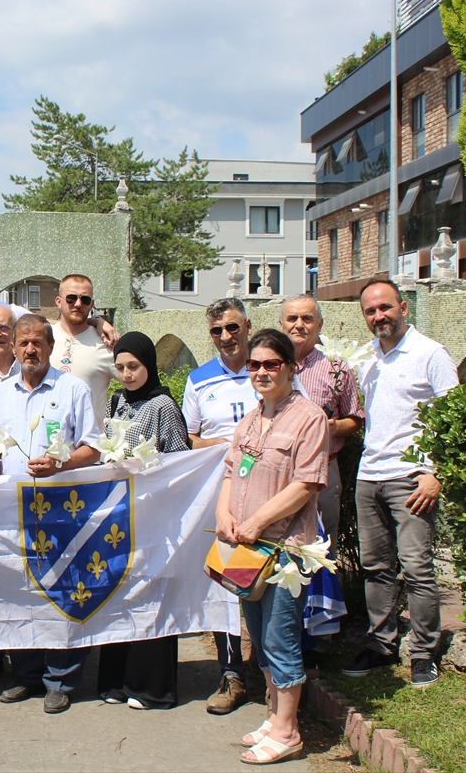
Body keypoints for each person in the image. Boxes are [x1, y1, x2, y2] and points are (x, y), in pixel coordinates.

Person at [216, 328, 328, 764]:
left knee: (281, 638)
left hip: (284, 551)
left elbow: (307, 482)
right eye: (255, 365)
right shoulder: (252, 417)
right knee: (259, 636)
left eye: (271, 364)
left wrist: (259, 520)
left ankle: (288, 731)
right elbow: (230, 471)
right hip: (245, 550)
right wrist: (224, 516)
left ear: (291, 367)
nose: (261, 372)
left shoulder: (309, 417)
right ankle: (274, 714)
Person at [341, 280, 458, 688]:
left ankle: (423, 652)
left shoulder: (430, 354)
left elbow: (455, 418)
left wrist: (435, 472)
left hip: (412, 478)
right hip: (369, 475)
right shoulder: (367, 359)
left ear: (403, 308)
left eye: (385, 308)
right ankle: (380, 644)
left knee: (417, 568)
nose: (379, 317)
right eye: (371, 311)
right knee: (376, 568)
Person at [0, 314, 100, 715]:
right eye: (24, 343)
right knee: (21, 593)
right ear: (13, 348)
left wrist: (62, 464)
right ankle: (26, 675)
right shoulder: (0, 395)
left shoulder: (74, 389)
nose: (30, 349)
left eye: (38, 342)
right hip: (14, 513)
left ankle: (61, 679)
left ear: (51, 347)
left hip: (63, 511)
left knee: (61, 594)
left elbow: (93, 447)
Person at [95, 331, 190, 711]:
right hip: (121, 514)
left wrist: (147, 470)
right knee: (119, 592)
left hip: (154, 515)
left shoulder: (164, 405)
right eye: (119, 367)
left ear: (148, 365)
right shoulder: (117, 401)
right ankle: (115, 680)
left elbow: (182, 461)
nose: (127, 374)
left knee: (151, 596)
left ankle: (151, 686)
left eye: (133, 366)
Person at [181, 296, 255, 715]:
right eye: (216, 331)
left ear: (247, 326)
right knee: (228, 579)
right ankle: (232, 674)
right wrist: (227, 446)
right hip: (221, 492)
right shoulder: (198, 379)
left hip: (267, 490)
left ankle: (275, 667)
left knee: (269, 577)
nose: (226, 337)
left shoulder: (268, 366)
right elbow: (190, 438)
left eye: (232, 327)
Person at [280, 295, 364, 550]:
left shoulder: (336, 368)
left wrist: (333, 427)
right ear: (282, 324)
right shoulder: (269, 365)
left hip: (324, 473)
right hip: (279, 472)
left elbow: (355, 419)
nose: (299, 325)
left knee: (323, 548)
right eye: (292, 318)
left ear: (319, 324)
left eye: (307, 318)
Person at [49, 274, 116, 400]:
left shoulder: (106, 343)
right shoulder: (42, 338)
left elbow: (135, 382)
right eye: (71, 298)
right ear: (59, 301)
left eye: (85, 299)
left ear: (91, 304)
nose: (78, 304)